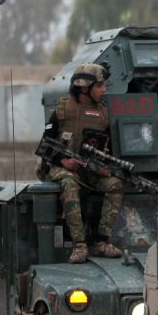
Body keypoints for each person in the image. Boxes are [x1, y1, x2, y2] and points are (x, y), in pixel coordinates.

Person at [42, 63, 123, 264]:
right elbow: (44, 146)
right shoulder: (62, 110)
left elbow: (108, 148)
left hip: (90, 171)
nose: (104, 90)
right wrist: (63, 161)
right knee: (69, 184)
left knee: (115, 184)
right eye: (100, 86)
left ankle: (101, 242)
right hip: (62, 169)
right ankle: (79, 246)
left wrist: (104, 168)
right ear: (84, 87)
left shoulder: (103, 113)